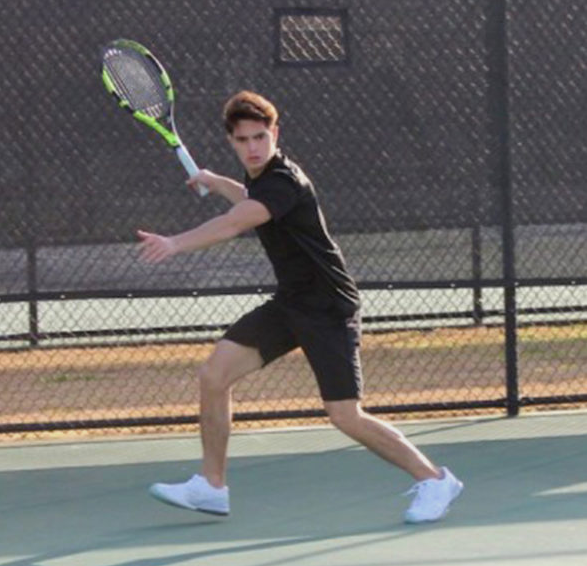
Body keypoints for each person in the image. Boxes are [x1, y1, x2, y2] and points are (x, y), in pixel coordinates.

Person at [137, 91, 462, 524]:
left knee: (345, 415)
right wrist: (217, 182)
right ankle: (212, 487)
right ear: (232, 141)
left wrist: (175, 242)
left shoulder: (284, 180)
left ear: (275, 133)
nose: (253, 147)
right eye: (243, 140)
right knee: (214, 375)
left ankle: (435, 478)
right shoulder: (261, 178)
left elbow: (239, 220)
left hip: (328, 307)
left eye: (260, 137)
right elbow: (251, 200)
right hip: (291, 302)